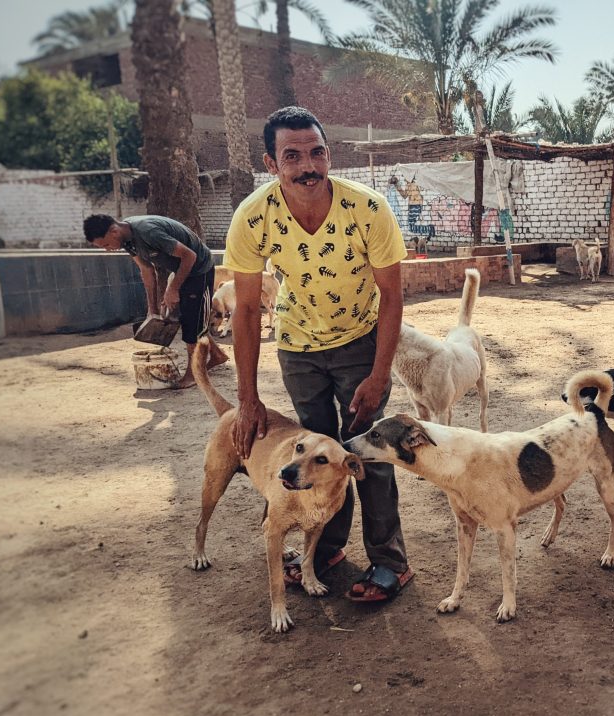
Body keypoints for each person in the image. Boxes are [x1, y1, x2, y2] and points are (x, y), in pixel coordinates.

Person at [224, 106, 412, 603]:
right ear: (271, 164)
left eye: (317, 152)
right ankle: (325, 548)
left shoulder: (367, 209)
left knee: (367, 454)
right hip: (298, 348)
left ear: (328, 155)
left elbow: (392, 296)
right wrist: (247, 398)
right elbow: (244, 309)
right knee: (312, 454)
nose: (308, 165)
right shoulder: (253, 216)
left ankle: (390, 563)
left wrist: (379, 373)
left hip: (360, 343)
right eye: (293, 156)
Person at [83, 213, 228, 388]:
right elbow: (147, 270)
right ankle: (218, 355)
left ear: (114, 231)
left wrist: (173, 288)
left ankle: (194, 373)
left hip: (199, 269)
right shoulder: (127, 240)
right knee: (188, 319)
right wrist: (152, 311)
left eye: (106, 244)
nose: (107, 249)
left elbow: (189, 256)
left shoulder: (148, 232)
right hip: (181, 269)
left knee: (193, 323)